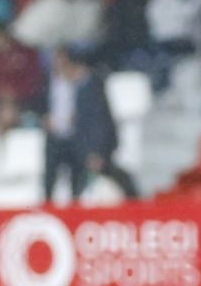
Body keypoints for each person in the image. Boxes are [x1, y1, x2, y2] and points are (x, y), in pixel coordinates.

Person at [44, 47, 139, 202]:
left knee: (109, 182)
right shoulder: (78, 88)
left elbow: (100, 123)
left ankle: (136, 207)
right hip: (82, 149)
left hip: (95, 151)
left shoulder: (92, 88)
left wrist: (97, 152)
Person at [0, 22, 45, 131]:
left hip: (21, 101)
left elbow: (33, 81)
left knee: (6, 113)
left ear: (4, 36)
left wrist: (14, 93)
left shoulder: (26, 54)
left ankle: (4, 142)